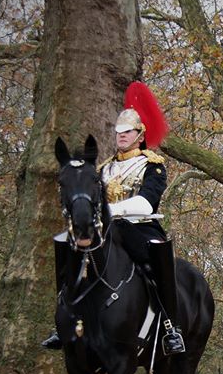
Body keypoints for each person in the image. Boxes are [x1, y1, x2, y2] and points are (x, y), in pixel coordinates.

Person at [42, 81, 185, 356]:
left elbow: (145, 203)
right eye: (118, 131)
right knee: (66, 247)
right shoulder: (103, 167)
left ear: (140, 134)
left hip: (139, 227)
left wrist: (113, 211)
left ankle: (170, 326)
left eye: (127, 131)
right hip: (103, 228)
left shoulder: (152, 165)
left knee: (158, 255)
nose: (121, 135)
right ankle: (63, 318)